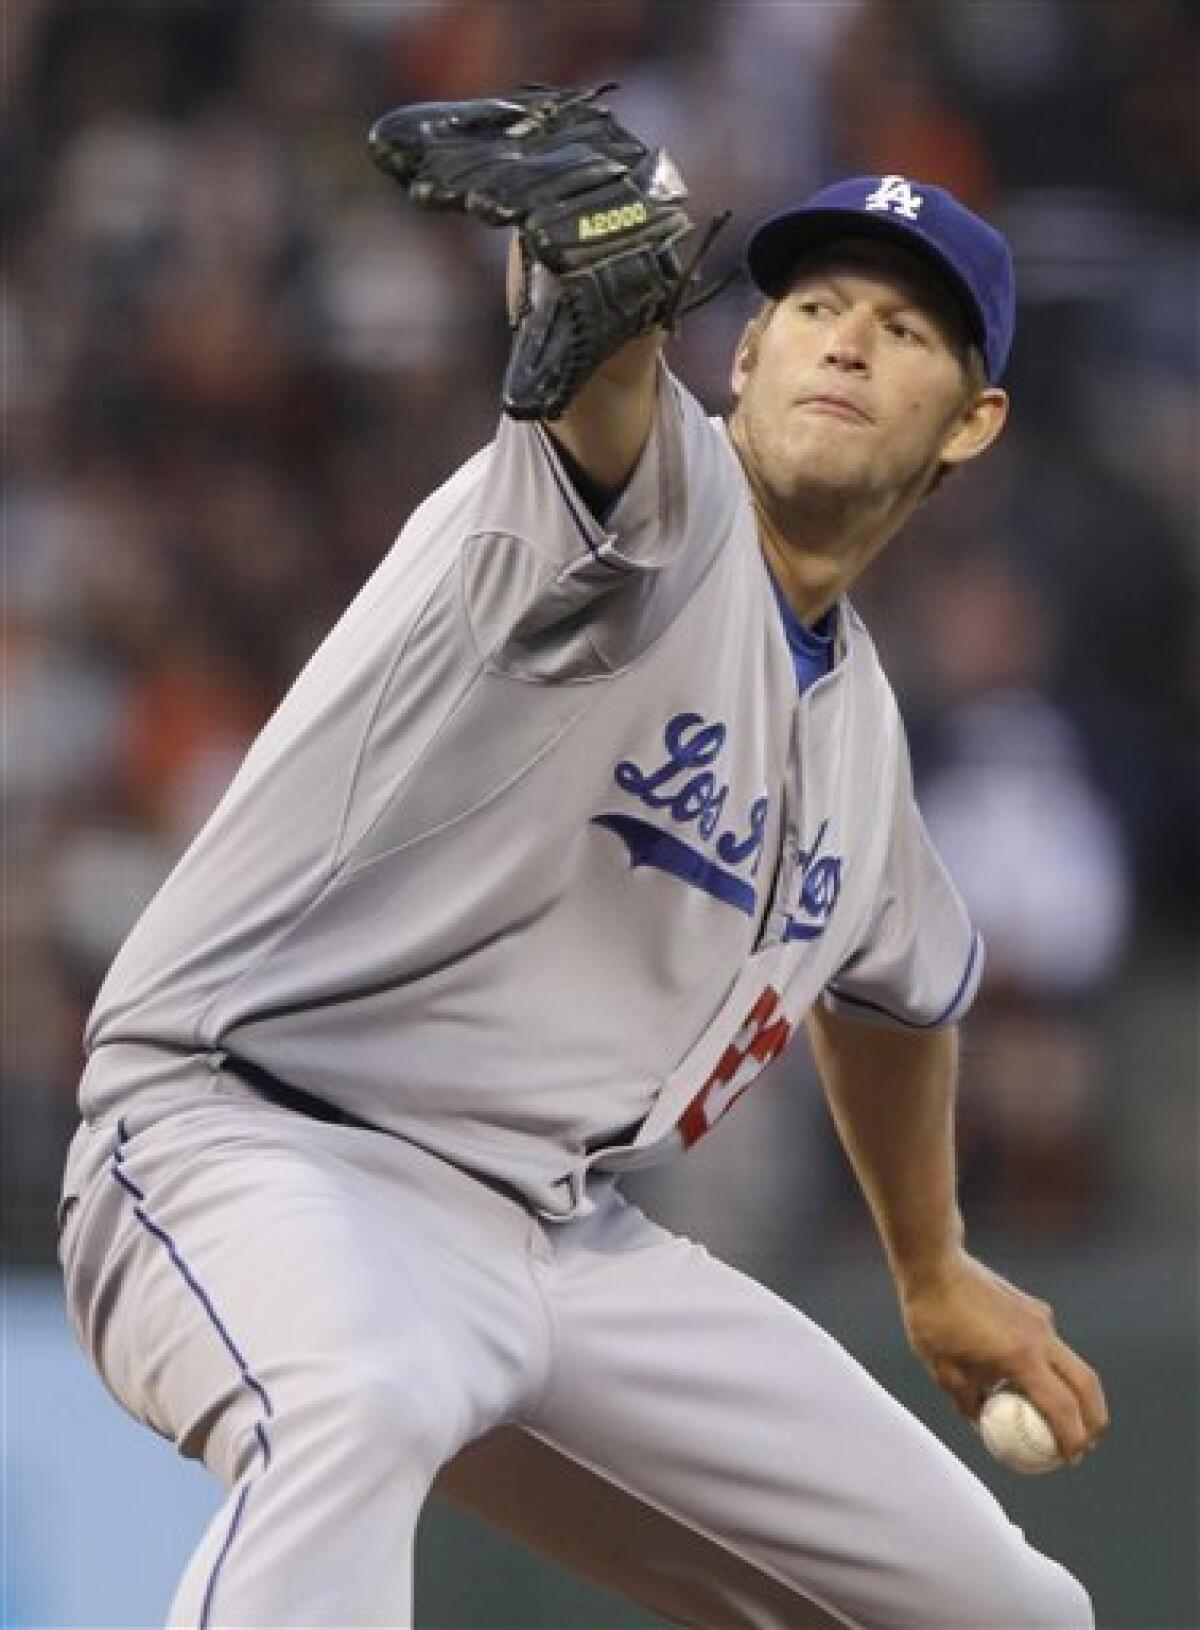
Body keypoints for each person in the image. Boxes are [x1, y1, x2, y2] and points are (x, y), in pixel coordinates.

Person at [58, 91, 1107, 1628]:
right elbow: (599, 369)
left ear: (971, 420)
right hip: (256, 1138)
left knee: (1007, 1609)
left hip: (557, 1235)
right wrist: (597, 277)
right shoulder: (645, 502)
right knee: (354, 1400)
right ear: (738, 356)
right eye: (811, 304)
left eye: (906, 328)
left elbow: (897, 998)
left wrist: (934, 1262)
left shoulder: (866, 733)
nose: (845, 340)